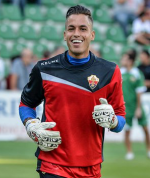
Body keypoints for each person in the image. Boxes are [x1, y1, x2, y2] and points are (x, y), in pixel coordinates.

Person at [19, 5, 126, 178]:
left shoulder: (110, 71)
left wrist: (113, 121)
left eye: (83, 29)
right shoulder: (44, 69)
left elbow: (120, 117)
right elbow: (26, 104)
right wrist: (30, 124)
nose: (76, 33)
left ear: (92, 35)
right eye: (71, 29)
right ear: (64, 35)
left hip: (91, 166)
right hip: (52, 163)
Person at [120, 52, 150, 160]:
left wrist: (138, 108)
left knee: (145, 128)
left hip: (136, 106)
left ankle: (149, 150)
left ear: (130, 61)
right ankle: (129, 152)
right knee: (127, 130)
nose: (122, 60)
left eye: (124, 59)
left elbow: (139, 92)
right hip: (125, 107)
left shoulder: (137, 73)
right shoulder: (120, 73)